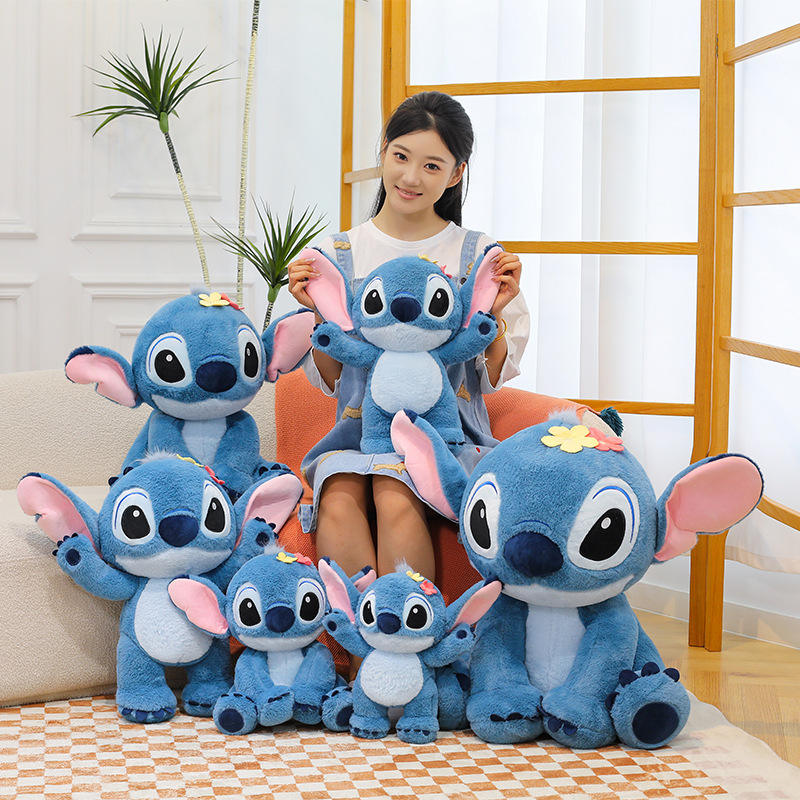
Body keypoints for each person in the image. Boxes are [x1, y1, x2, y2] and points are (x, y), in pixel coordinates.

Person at [287, 91, 527, 590]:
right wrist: (318, 312)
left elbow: (491, 376)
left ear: (456, 174)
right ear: (383, 152)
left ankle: (409, 631)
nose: (411, 177)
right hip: (357, 433)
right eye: (401, 156)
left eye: (432, 165)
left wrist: (496, 313)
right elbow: (332, 381)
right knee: (337, 499)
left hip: (447, 433)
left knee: (392, 491)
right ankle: (357, 635)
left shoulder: (479, 255)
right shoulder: (336, 254)